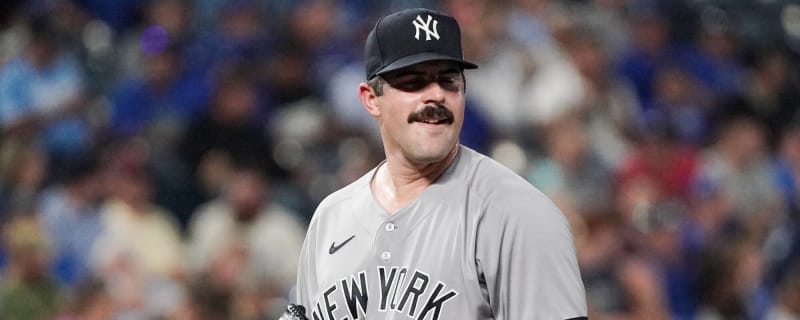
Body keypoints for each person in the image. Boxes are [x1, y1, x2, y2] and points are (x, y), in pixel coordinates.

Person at [294, 7, 587, 320]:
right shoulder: (331, 217)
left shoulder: (519, 215)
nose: (435, 95)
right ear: (370, 98)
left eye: (448, 81)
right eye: (413, 82)